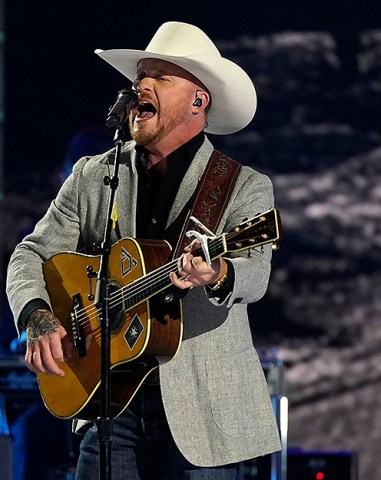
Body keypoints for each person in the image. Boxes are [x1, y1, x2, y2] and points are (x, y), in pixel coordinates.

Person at [6, 21, 281, 480]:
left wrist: (218, 275)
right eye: (140, 76)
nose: (140, 86)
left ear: (199, 100)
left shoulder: (243, 187)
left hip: (205, 414)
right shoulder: (94, 176)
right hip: (110, 405)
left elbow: (256, 274)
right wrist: (37, 316)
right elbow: (29, 254)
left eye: (160, 77)